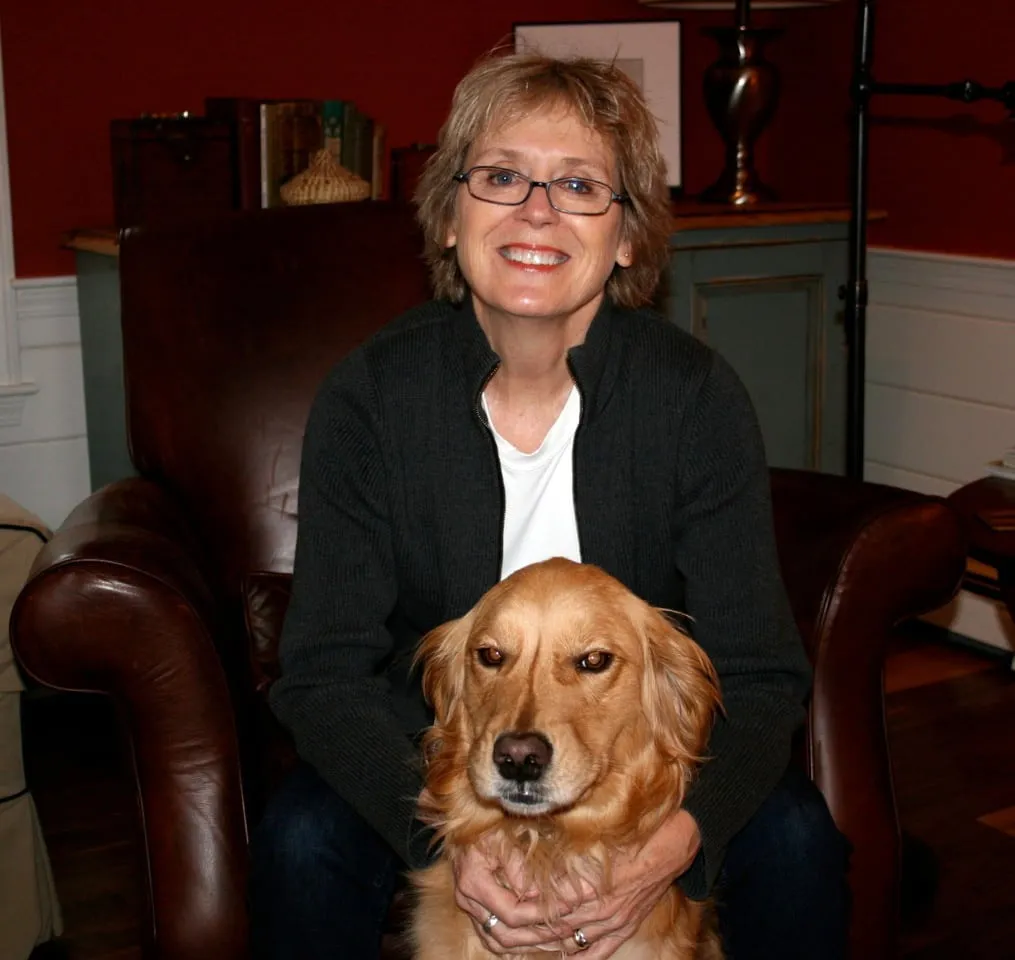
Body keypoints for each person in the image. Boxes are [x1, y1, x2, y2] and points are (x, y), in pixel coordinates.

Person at [250, 51, 849, 960]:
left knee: (799, 841)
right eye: (500, 177)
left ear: (626, 238)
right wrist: (443, 843)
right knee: (299, 842)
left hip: (640, 761)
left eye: (576, 184)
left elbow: (760, 675)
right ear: (451, 219)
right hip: (425, 751)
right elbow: (325, 670)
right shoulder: (370, 397)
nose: (535, 209)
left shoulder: (692, 395)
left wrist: (675, 846)